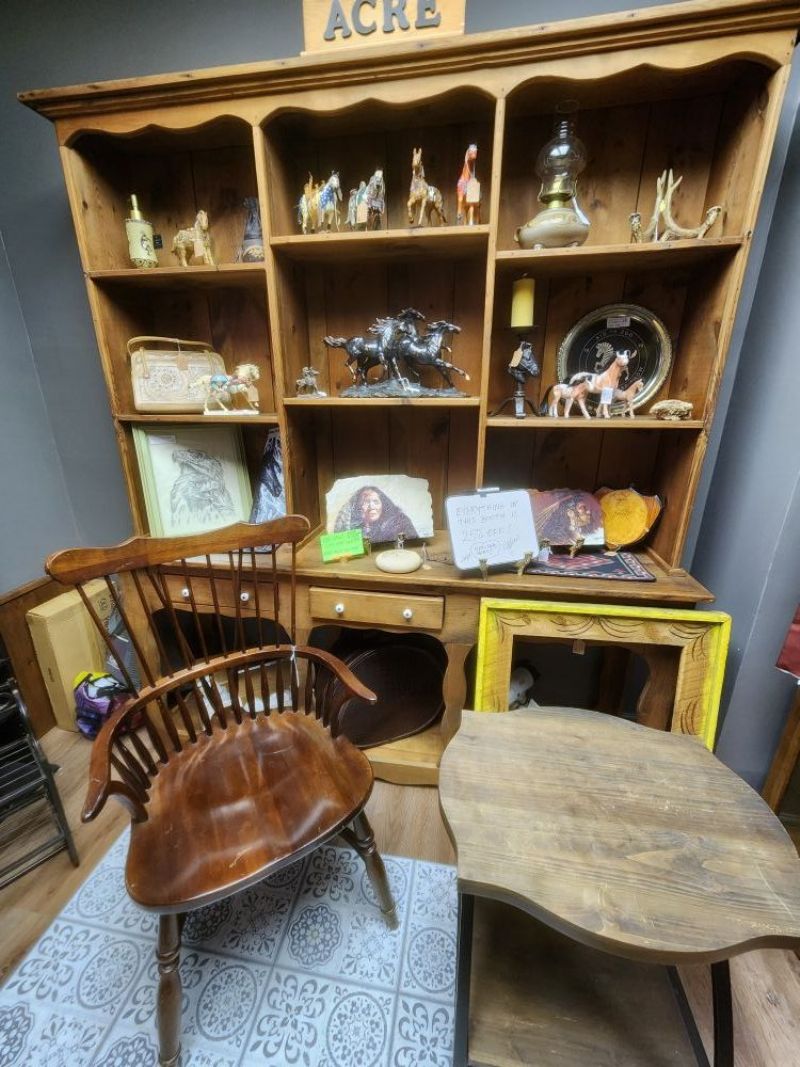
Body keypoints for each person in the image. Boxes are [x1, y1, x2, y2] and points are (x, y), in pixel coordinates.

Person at [334, 485, 418, 543]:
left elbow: (413, 545)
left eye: (376, 502)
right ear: (358, 506)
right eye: (366, 502)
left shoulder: (399, 522)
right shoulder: (350, 525)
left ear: (383, 505)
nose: (371, 507)